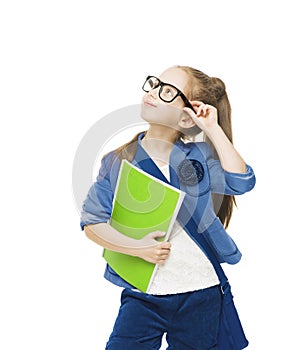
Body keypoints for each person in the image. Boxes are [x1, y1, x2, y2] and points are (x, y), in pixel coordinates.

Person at [80, 65, 256, 349]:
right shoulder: (117, 161)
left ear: (187, 117)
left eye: (167, 91)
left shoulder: (199, 157)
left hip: (202, 290)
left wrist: (212, 128)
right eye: (154, 83)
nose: (152, 92)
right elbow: (92, 223)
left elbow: (241, 182)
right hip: (144, 292)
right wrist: (137, 249)